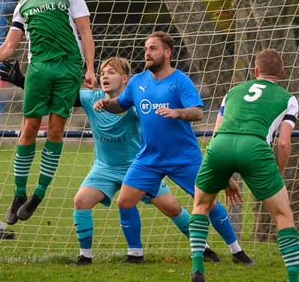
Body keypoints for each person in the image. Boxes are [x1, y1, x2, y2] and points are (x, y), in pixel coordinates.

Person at [0, 57, 252, 265]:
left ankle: (205, 248)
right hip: (105, 168)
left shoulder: (134, 102)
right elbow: (56, 96)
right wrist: (23, 82)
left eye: (111, 72)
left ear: (125, 79)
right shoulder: (90, 98)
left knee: (173, 209)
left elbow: (159, 116)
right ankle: (86, 257)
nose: (104, 76)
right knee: (80, 201)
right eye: (101, 72)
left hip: (139, 165)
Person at [93, 31, 254, 264]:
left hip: (183, 156)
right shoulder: (138, 81)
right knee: (124, 201)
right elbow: (120, 105)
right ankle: (135, 255)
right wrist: (106, 104)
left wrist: (177, 112)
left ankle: (236, 250)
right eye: (146, 48)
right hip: (149, 157)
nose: (147, 53)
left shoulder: (180, 81)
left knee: (207, 201)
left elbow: (198, 112)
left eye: (153, 48)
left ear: (167, 53)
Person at [0, 0, 96, 224]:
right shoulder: (23, 4)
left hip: (68, 65)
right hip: (39, 66)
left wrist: (90, 67)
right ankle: (19, 193)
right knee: (29, 127)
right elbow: (10, 45)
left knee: (56, 129)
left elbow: (85, 31)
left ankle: (38, 194)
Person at [189, 49, 299, 282]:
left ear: (255, 71)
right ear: (281, 73)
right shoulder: (288, 98)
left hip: (220, 146)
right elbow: (283, 143)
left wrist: (225, 176)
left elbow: (216, 131)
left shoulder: (232, 92)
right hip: (254, 147)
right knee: (283, 215)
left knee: (201, 205)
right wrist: (276, 175)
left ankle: (197, 269)